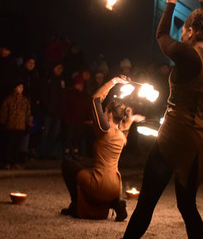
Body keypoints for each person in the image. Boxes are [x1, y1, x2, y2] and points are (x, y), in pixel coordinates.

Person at [97, 0, 203, 239]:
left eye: (186, 31)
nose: (182, 35)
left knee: (148, 201)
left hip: (174, 137)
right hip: (199, 141)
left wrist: (170, 3)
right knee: (188, 206)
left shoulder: (188, 55)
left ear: (191, 32)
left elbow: (161, 37)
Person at [61, 76, 143, 221]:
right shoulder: (122, 136)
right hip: (116, 187)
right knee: (87, 174)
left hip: (99, 185)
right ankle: (116, 203)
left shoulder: (104, 130)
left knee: (68, 165)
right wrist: (131, 118)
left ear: (110, 114)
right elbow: (125, 125)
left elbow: (95, 99)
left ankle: (75, 205)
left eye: (105, 111)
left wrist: (114, 81)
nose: (103, 113)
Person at [0, 79, 32, 169]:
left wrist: (28, 124)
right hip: (11, 126)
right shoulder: (9, 100)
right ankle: (7, 162)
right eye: (19, 87)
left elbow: (27, 114)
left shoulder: (25, 101)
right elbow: (4, 112)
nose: (21, 89)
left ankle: (15, 161)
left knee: (17, 145)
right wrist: (3, 122)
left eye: (22, 87)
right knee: (9, 145)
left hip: (20, 127)